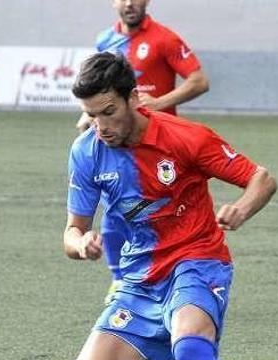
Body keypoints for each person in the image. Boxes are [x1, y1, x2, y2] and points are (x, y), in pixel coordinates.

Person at [62, 52, 278, 360]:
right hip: (140, 280)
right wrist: (80, 244)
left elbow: (261, 178)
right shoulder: (87, 153)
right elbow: (72, 229)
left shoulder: (184, 137)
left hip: (197, 260)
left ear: (134, 99)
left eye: (108, 112)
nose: (100, 126)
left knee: (191, 350)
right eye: (91, 115)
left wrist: (241, 208)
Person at [76, 0, 210, 305]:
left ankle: (185, 278)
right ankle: (121, 281)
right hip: (119, 143)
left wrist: (158, 103)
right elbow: (99, 90)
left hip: (163, 144)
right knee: (116, 209)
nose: (129, 3)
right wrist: (91, 117)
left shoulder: (165, 39)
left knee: (169, 213)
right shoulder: (105, 41)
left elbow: (199, 81)